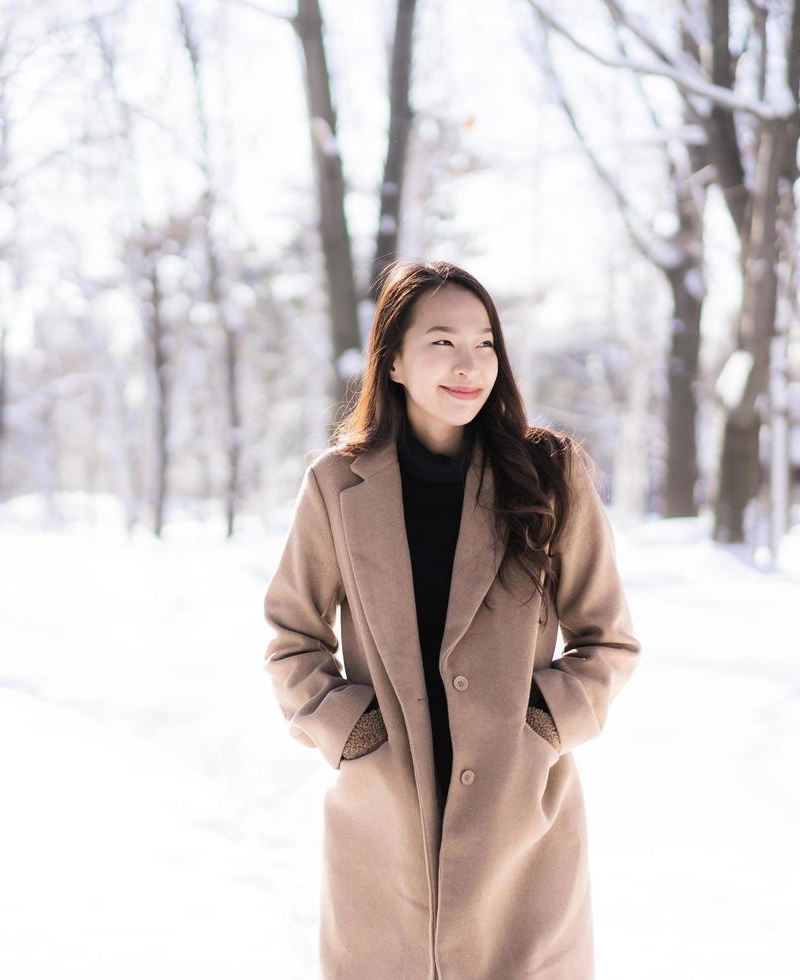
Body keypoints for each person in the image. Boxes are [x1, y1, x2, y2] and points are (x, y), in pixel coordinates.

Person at [262, 259, 641, 979]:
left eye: (486, 342)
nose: (469, 364)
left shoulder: (550, 474)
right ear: (395, 360)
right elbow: (292, 639)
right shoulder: (337, 485)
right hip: (382, 828)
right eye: (442, 342)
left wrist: (544, 723)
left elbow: (608, 639)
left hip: (521, 825)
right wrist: (352, 735)